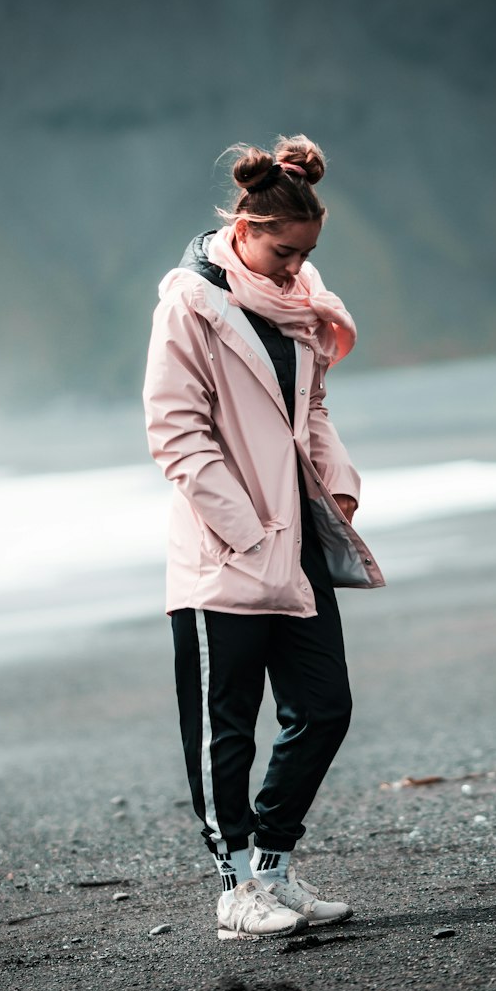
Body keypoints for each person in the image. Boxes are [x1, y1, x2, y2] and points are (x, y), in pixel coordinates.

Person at [143, 134, 384, 941]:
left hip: (300, 543)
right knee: (227, 726)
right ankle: (236, 887)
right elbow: (176, 433)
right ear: (244, 229)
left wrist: (339, 486)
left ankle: (276, 864)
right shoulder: (189, 302)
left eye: (306, 255)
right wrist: (246, 531)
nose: (295, 270)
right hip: (225, 553)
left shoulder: (298, 298)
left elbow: (310, 411)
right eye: (284, 253)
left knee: (324, 707)